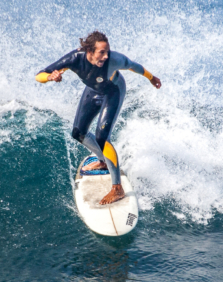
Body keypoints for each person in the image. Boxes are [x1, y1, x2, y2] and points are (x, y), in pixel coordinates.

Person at [36, 31, 161, 205]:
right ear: (89, 51)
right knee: (78, 133)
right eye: (101, 52)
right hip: (93, 91)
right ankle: (103, 161)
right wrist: (50, 77)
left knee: (102, 137)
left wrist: (151, 78)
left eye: (107, 51)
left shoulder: (114, 60)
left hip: (113, 91)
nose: (106, 55)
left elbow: (133, 66)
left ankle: (117, 189)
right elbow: (39, 75)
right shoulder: (74, 59)